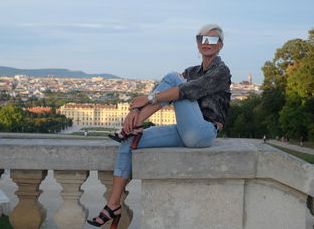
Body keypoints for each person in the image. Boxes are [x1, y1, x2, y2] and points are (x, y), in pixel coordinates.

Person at [87, 24, 232, 228]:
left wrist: (146, 99)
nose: (206, 43)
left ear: (221, 46)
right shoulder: (191, 71)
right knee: (129, 141)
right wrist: (136, 109)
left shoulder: (221, 71)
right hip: (184, 131)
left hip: (203, 132)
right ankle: (113, 205)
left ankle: (136, 124)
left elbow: (183, 91)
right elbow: (166, 93)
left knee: (174, 78)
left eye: (213, 40)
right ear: (198, 43)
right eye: (202, 39)